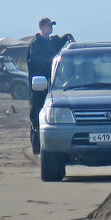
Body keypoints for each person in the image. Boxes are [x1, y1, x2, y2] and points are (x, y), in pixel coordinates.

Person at [27, 17, 74, 154]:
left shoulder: (52, 42)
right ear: (42, 28)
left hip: (55, 85)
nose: (51, 28)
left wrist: (68, 37)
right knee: (37, 114)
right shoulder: (36, 44)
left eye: (52, 26)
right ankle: (37, 144)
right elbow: (36, 63)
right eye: (48, 26)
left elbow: (61, 40)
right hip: (39, 86)